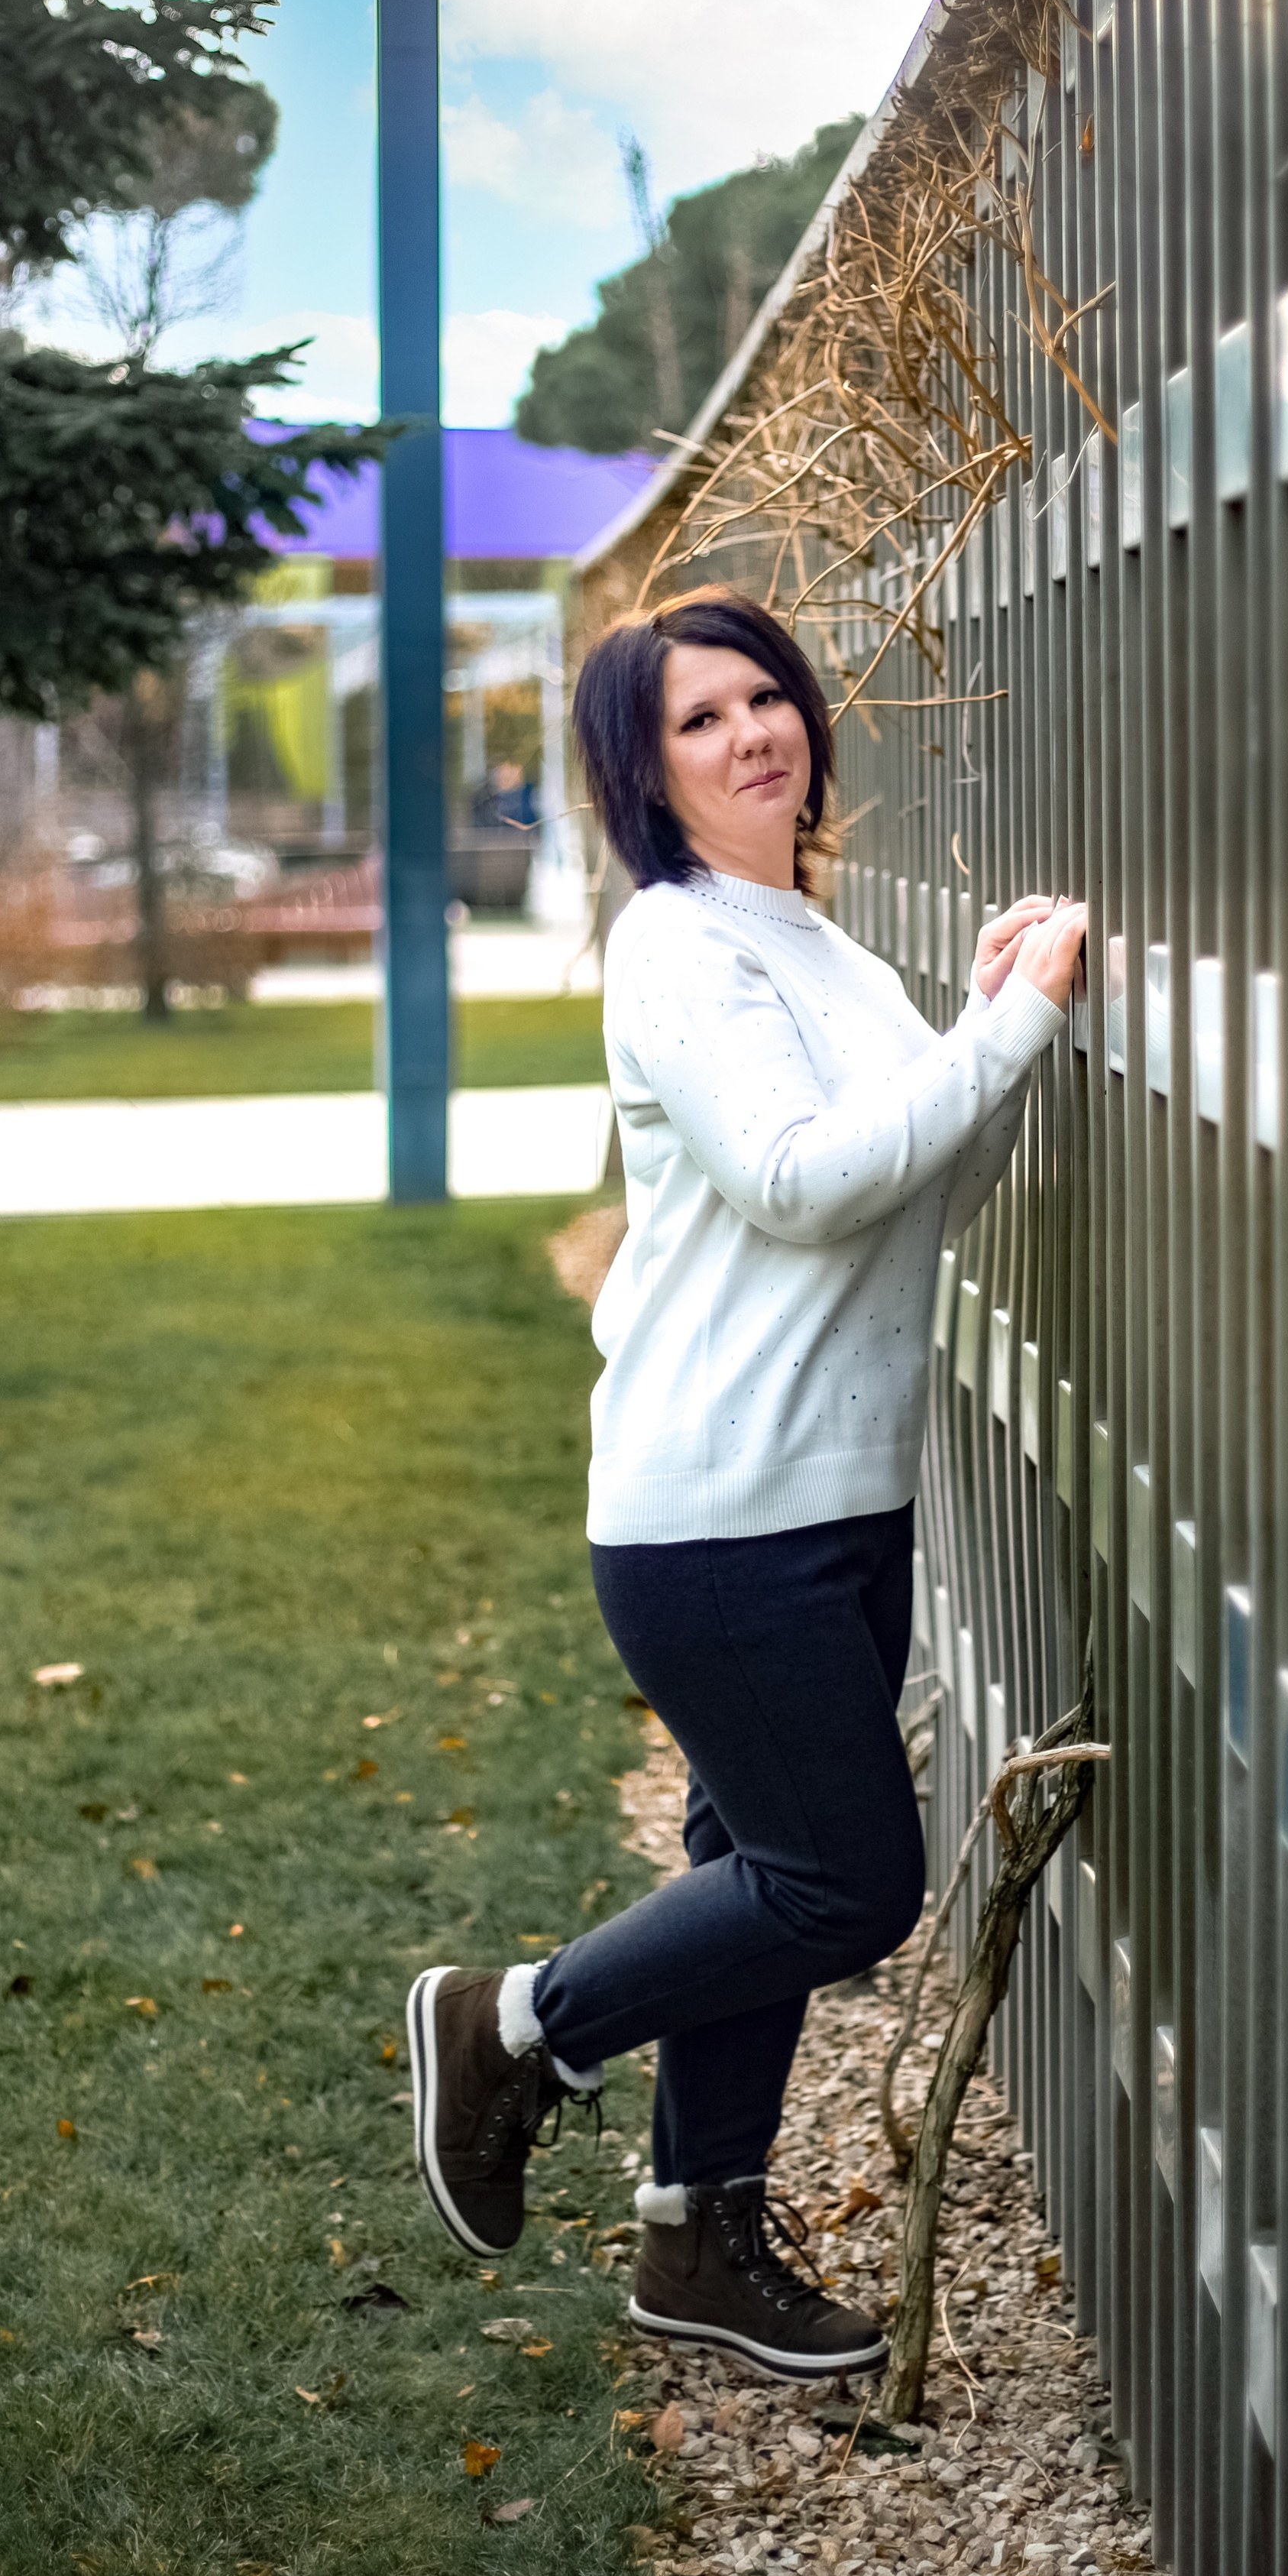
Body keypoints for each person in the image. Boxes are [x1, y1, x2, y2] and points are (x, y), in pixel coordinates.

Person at [407, 586, 1086, 2380]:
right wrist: (997, 1037)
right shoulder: (677, 945)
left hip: (828, 1498)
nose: (750, 733)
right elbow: (797, 1181)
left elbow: (922, 1178)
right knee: (841, 1887)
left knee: (750, 1866)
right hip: (720, 1516)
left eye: (762, 696)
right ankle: (518, 2024)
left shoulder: (813, 939)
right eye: (696, 720)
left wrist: (991, 1017)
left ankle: (693, 2237)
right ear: (644, 773)